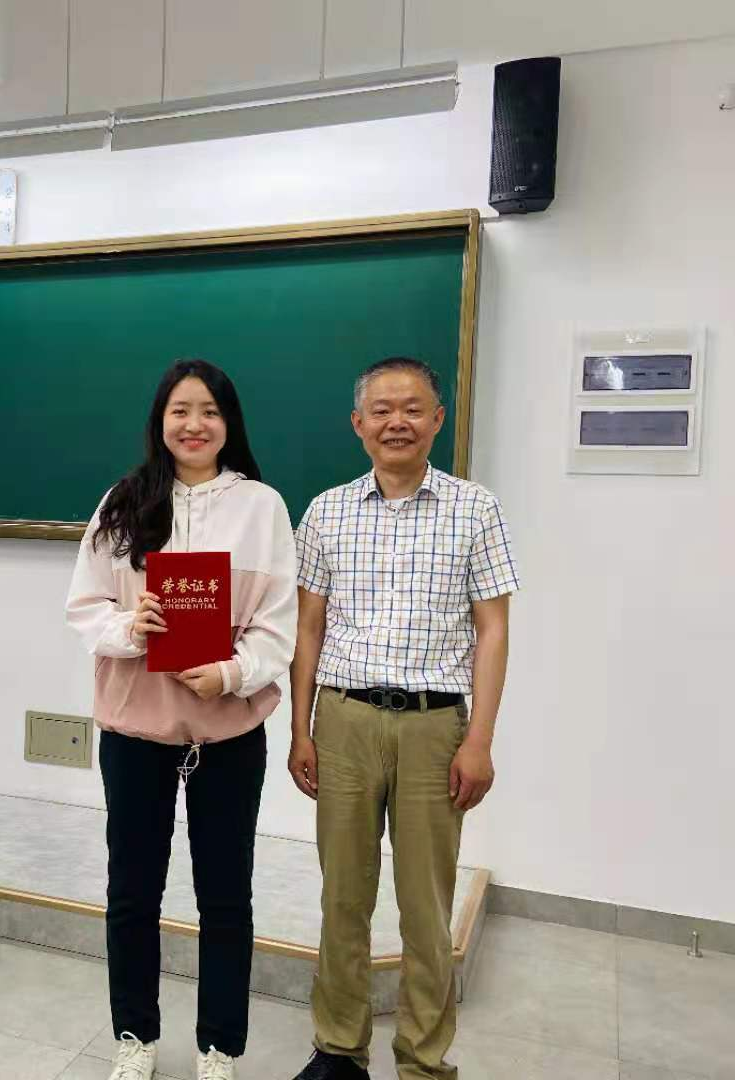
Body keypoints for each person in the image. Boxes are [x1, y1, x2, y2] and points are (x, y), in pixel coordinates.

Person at [286, 357, 519, 1080]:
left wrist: (479, 740)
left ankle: (422, 1060)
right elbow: (308, 629)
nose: (397, 422)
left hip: (433, 727)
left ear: (437, 420)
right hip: (345, 721)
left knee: (426, 907)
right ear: (358, 424)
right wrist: (300, 729)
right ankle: (338, 1050)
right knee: (343, 898)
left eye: (413, 408)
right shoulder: (325, 510)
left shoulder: (475, 509)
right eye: (382, 410)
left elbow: (493, 630)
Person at [66, 359, 298, 1080]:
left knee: (225, 895)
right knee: (132, 890)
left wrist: (233, 673)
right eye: (180, 411)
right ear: (159, 421)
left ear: (230, 423)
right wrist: (131, 628)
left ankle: (219, 1047)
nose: (194, 425)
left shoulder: (262, 506)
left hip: (228, 733)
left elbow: (278, 623)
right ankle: (134, 1037)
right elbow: (85, 607)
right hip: (135, 730)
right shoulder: (124, 501)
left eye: (210, 412)